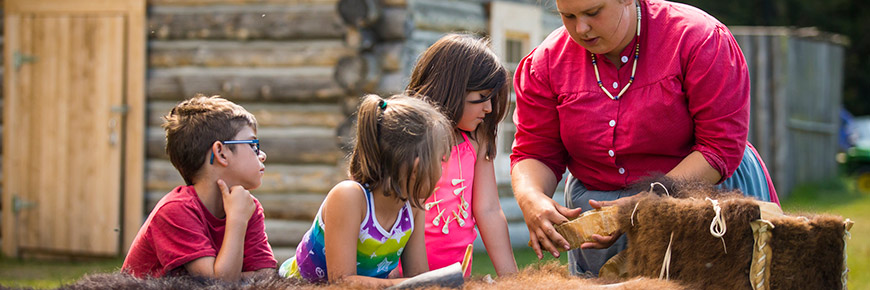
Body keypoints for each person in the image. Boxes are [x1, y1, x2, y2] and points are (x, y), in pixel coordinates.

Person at [510, 0, 780, 277]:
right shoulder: (546, 62)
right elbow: (535, 152)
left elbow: (718, 148)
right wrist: (531, 197)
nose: (581, 28)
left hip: (701, 198)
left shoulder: (698, 38)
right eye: (568, 16)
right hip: (597, 211)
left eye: (593, 13)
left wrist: (647, 203)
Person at [278, 94, 453, 287]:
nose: (442, 169)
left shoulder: (412, 206)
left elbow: (419, 276)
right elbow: (342, 282)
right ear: (417, 168)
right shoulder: (349, 197)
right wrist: (409, 284)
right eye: (441, 160)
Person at [122, 95, 276, 280]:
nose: (262, 155)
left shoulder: (247, 207)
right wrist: (237, 220)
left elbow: (266, 277)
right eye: (253, 145)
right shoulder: (175, 210)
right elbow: (216, 284)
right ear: (221, 153)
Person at [403, 33, 519, 277]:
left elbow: (488, 210)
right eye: (481, 98)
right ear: (451, 89)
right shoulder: (408, 137)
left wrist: (513, 279)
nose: (488, 109)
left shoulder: (477, 139)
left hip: (457, 276)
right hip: (403, 277)